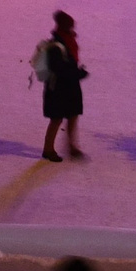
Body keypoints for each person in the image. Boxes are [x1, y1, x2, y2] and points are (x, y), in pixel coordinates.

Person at [36, 10, 87, 162]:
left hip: (69, 86)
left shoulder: (68, 41)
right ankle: (48, 149)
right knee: (57, 118)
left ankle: (72, 146)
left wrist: (77, 73)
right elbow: (60, 69)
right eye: (70, 25)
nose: (73, 28)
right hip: (58, 88)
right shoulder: (56, 46)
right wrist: (79, 74)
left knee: (72, 115)